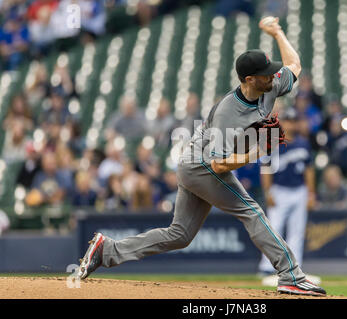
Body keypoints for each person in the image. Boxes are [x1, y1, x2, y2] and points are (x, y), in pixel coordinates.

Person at [77, 17, 326, 296]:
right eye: (266, 73)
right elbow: (218, 165)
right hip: (201, 165)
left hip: (195, 164)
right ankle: (290, 274)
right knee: (252, 211)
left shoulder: (269, 87)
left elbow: (295, 65)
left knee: (180, 235)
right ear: (249, 79)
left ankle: (106, 250)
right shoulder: (228, 112)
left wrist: (278, 32)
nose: (272, 76)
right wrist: (257, 151)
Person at [257, 107, 321, 286]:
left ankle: (294, 266)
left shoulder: (303, 143)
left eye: (293, 121)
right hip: (279, 190)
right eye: (287, 120)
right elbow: (266, 170)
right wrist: (268, 192)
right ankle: (267, 266)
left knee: (297, 231)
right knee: (274, 229)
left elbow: (309, 171)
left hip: (299, 190)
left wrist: (311, 193)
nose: (290, 124)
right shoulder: (272, 142)